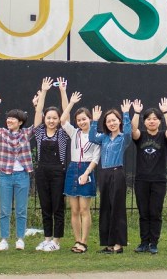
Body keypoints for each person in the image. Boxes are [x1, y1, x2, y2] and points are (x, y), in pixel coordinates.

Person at [0, 79, 48, 251]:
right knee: (4, 210)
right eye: (8, 118)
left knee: (21, 210)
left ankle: (20, 238)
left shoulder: (26, 134)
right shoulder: (2, 133)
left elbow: (39, 124)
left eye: (13, 118)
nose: (9, 120)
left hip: (22, 176)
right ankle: (4, 239)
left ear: (20, 122)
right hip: (5, 175)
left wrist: (37, 105)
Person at [59, 83, 100, 254]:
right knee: (74, 210)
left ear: (90, 119)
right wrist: (71, 102)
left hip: (86, 169)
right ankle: (76, 240)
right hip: (73, 168)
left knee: (84, 209)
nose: (82, 122)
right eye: (79, 120)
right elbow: (62, 120)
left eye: (85, 119)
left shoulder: (96, 135)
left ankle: (84, 242)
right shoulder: (74, 132)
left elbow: (96, 157)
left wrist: (86, 173)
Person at [88, 99, 133, 254]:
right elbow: (91, 137)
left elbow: (129, 133)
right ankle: (108, 244)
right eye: (108, 121)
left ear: (119, 122)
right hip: (104, 174)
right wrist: (94, 120)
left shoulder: (122, 138)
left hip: (117, 173)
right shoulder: (104, 138)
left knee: (117, 209)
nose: (111, 123)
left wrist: (126, 114)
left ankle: (118, 245)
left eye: (114, 120)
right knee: (105, 208)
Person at [130, 98, 167, 254]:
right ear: (145, 122)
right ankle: (143, 242)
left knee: (155, 212)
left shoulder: (163, 137)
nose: (152, 121)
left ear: (159, 122)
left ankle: (153, 243)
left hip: (158, 181)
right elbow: (133, 130)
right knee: (143, 212)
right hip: (141, 180)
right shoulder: (140, 136)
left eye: (155, 119)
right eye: (148, 119)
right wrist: (136, 112)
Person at [33, 77, 70, 251]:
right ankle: (47, 238)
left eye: (54, 118)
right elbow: (38, 109)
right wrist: (44, 91)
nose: (51, 120)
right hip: (42, 172)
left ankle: (56, 241)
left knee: (57, 206)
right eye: (48, 118)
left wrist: (62, 91)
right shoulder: (39, 132)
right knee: (45, 206)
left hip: (58, 173)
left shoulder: (62, 133)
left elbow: (66, 113)